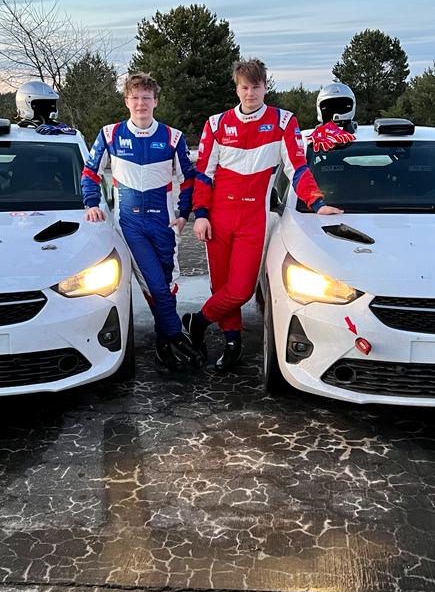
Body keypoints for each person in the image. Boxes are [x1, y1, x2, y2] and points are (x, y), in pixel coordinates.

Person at [184, 58, 343, 371]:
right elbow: (203, 173)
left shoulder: (284, 121)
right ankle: (232, 343)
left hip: (253, 215)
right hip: (219, 216)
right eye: (245, 87)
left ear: (265, 87)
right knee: (221, 286)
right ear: (237, 88)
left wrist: (317, 203)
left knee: (241, 289)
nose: (250, 93)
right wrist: (200, 213)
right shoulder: (216, 124)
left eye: (256, 87)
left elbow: (297, 167)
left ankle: (198, 322)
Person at [81, 72, 200, 370]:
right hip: (130, 224)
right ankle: (174, 334)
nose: (141, 103)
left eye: (146, 97)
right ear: (126, 101)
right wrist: (91, 203)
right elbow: (90, 173)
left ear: (156, 101)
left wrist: (184, 214)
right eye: (135, 98)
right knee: (157, 285)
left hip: (165, 223)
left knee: (166, 284)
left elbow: (188, 181)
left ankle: (164, 342)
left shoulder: (173, 137)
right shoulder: (110, 134)